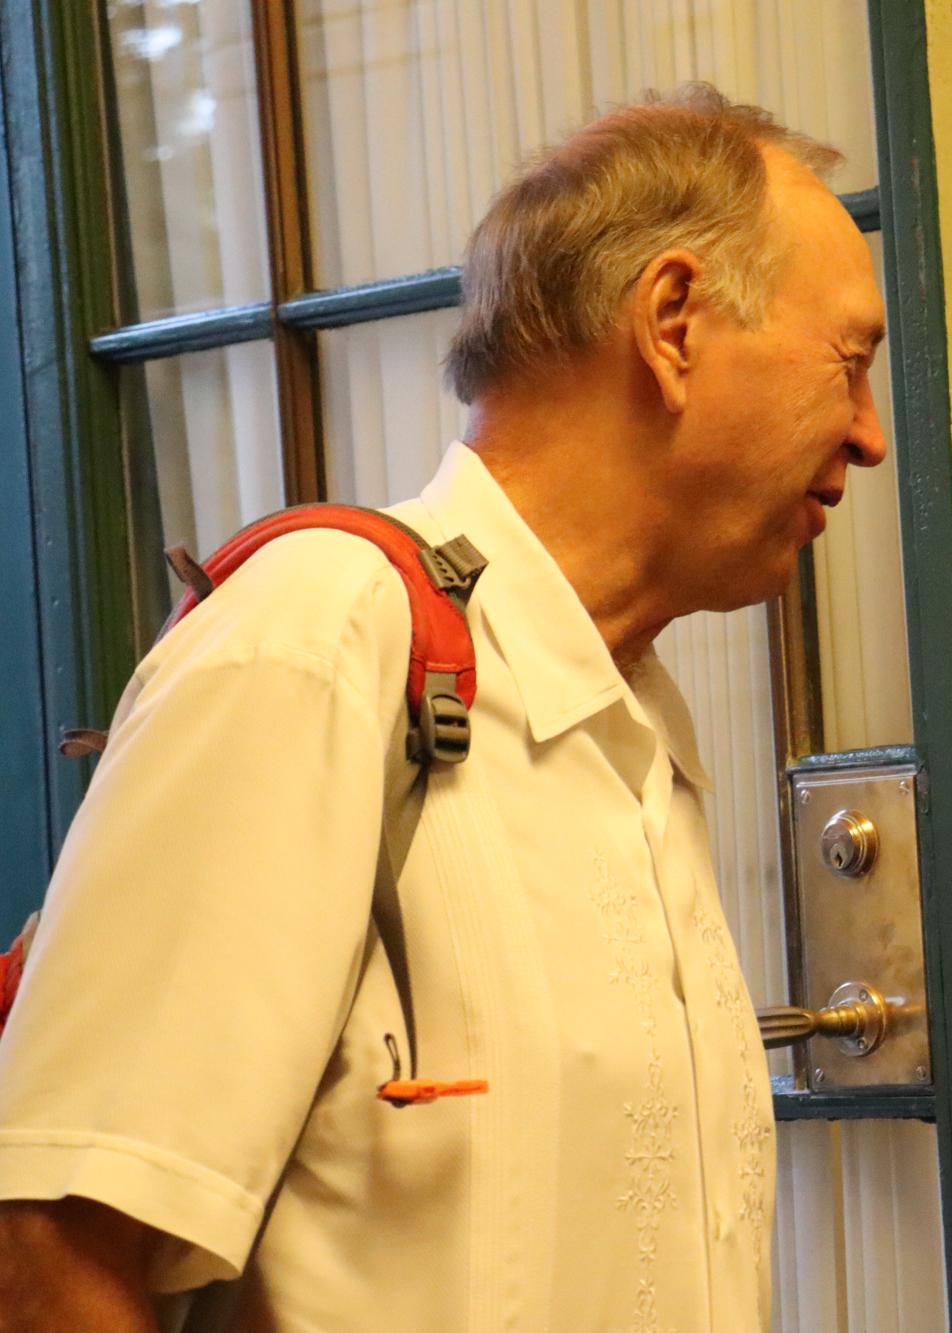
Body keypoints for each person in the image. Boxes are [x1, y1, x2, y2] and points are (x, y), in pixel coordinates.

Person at [0, 86, 886, 1330]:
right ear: (673, 321)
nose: (868, 434)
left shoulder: (632, 729)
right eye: (849, 360)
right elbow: (53, 1263)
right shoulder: (313, 643)